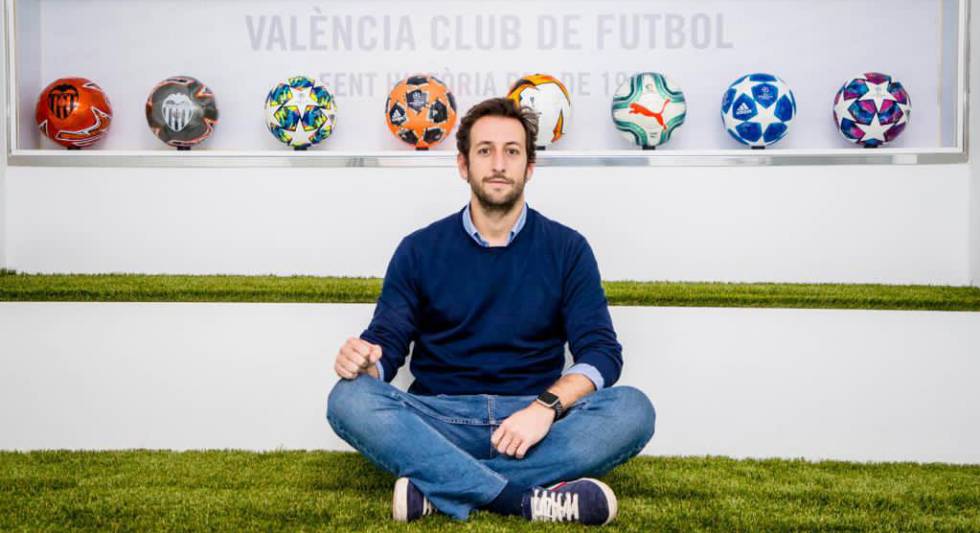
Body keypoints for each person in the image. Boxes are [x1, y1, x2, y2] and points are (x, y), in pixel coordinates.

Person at [326, 97, 655, 526]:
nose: (498, 163)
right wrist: (367, 365)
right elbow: (387, 343)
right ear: (463, 165)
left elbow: (601, 353)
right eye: (485, 151)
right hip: (441, 419)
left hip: (534, 422)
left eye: (512, 151)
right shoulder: (419, 249)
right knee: (348, 396)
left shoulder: (567, 248)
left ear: (529, 167)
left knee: (633, 409)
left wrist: (544, 409)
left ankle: (439, 485)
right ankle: (521, 497)